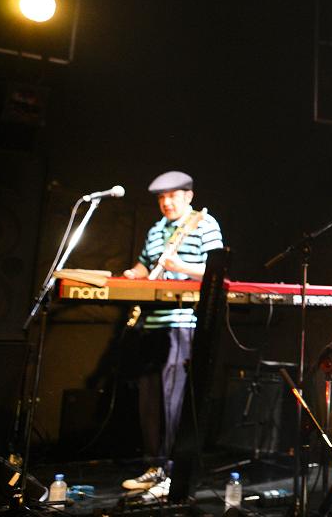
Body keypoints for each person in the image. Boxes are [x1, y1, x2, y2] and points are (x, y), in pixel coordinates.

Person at [119, 171, 223, 498]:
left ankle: (173, 472)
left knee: (173, 399)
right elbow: (144, 265)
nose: (166, 203)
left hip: (182, 322)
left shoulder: (204, 224)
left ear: (188, 196)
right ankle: (154, 467)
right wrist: (131, 274)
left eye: (172, 196)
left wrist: (181, 266)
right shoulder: (155, 230)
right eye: (161, 198)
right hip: (151, 323)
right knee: (148, 399)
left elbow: (217, 271)